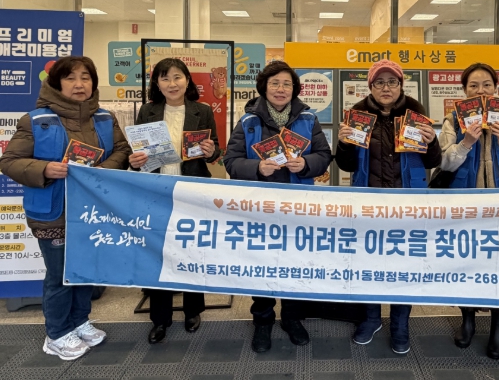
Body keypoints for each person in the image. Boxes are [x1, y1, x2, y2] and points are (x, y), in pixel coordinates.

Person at [0, 56, 132, 360]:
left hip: (93, 209)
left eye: (86, 78)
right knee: (60, 274)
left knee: (86, 269)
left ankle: (80, 321)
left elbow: (122, 150)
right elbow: (9, 162)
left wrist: (102, 169)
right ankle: (57, 334)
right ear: (57, 83)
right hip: (54, 210)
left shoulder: (104, 118)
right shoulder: (36, 120)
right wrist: (45, 169)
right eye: (71, 78)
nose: (79, 84)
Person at [223, 60, 331, 353]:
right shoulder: (249, 121)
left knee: (294, 262)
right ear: (264, 87)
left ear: (294, 89)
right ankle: (263, 319)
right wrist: (257, 168)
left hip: (298, 206)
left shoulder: (308, 119)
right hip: (261, 206)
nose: (281, 89)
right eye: (275, 83)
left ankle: (292, 317)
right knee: (261, 262)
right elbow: (231, 161)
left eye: (286, 84)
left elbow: (324, 155)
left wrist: (306, 163)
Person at [335, 59, 441, 354]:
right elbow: (345, 165)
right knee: (368, 260)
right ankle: (371, 318)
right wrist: (343, 143)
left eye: (392, 82)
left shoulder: (416, 115)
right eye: (379, 82)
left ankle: (399, 323)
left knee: (404, 263)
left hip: (407, 204)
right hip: (369, 203)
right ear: (370, 87)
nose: (386, 88)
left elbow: (434, 162)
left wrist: (432, 141)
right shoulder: (357, 117)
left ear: (400, 86)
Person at [438, 62, 499, 359]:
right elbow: (444, 163)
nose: (481, 91)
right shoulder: (453, 121)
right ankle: (467, 319)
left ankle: (498, 326)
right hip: (465, 206)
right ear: (464, 90)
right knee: (466, 262)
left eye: (487, 85)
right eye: (474, 86)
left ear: (497, 88)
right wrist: (466, 142)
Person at [129, 58, 221, 344]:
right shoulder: (147, 111)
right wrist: (135, 161)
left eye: (177, 77)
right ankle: (160, 318)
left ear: (187, 80)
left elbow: (216, 151)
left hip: (191, 190)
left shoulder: (202, 111)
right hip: (156, 189)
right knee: (159, 253)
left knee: (192, 250)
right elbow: (137, 153)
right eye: (165, 78)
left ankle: (193, 310)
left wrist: (211, 151)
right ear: (157, 83)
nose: (172, 83)